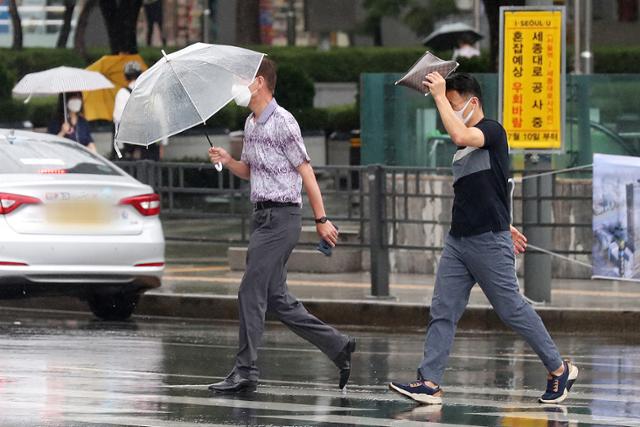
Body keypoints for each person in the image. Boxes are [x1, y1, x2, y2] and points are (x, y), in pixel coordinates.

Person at [388, 72, 578, 405]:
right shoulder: (462, 149)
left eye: (454, 103)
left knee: (511, 309)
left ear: (473, 102)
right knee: (442, 310)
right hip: (458, 241)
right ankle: (429, 382)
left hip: (488, 241)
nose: (449, 109)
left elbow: (460, 131)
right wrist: (508, 222)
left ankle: (559, 368)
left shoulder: (491, 130)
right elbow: (494, 187)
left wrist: (438, 96)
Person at [207, 58, 356, 393]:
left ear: (259, 82)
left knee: (250, 290)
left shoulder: (284, 122)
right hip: (262, 218)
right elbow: (250, 170)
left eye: (241, 79)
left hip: (282, 218)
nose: (236, 85)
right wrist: (228, 161)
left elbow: (306, 171)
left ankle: (245, 371)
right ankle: (339, 346)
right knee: (276, 300)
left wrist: (321, 219)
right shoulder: (250, 123)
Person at [113, 60, 167, 160]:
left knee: (133, 173)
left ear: (125, 77)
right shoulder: (152, 91)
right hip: (151, 142)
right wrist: (163, 143)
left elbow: (118, 120)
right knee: (151, 172)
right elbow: (162, 118)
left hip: (130, 144)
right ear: (141, 75)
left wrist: (120, 147)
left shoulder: (122, 93)